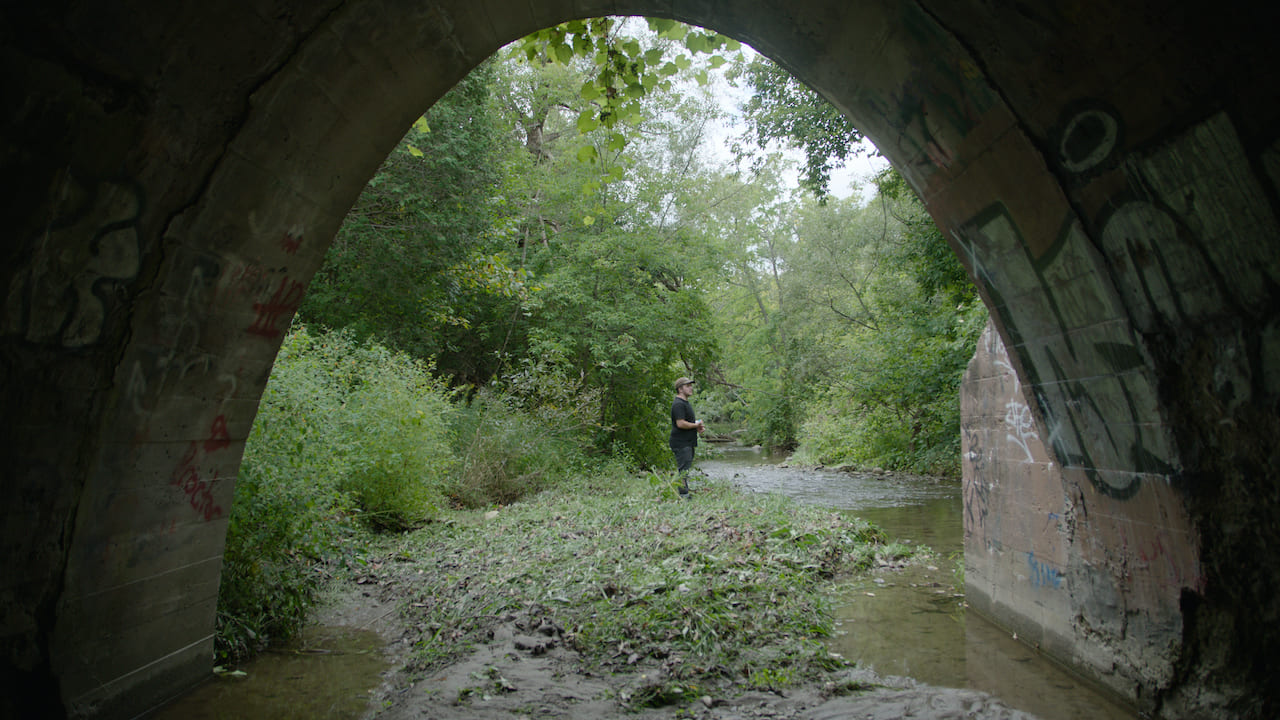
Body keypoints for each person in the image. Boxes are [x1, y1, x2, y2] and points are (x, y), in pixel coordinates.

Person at [669, 376, 705, 496]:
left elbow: (685, 421)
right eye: (687, 386)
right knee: (683, 471)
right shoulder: (678, 404)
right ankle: (683, 495)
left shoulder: (685, 403)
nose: (691, 388)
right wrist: (695, 425)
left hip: (687, 442)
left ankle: (684, 493)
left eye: (691, 385)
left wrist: (697, 425)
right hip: (681, 442)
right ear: (680, 389)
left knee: (685, 469)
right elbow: (680, 423)